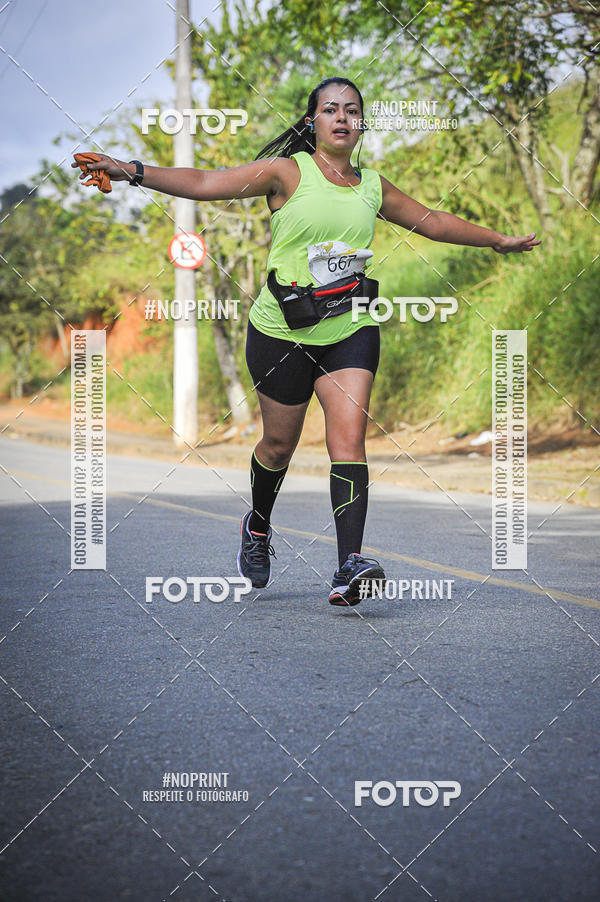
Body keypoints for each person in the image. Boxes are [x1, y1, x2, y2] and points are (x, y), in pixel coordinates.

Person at [73, 76, 540, 607]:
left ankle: (348, 565)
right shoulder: (286, 174)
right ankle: (258, 525)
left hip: (349, 327)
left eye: (352, 110)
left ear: (361, 123)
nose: (342, 118)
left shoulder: (373, 186)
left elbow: (431, 222)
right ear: (313, 121)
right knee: (278, 445)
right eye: (331, 109)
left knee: (349, 440)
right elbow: (205, 181)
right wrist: (131, 170)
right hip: (281, 332)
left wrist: (496, 240)